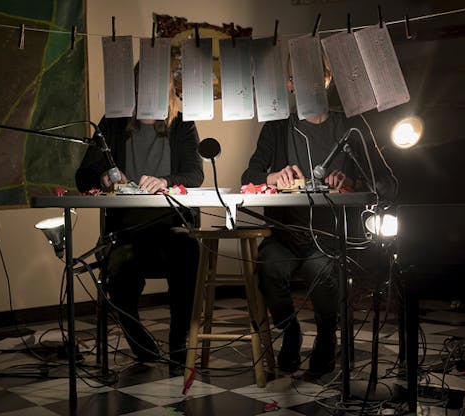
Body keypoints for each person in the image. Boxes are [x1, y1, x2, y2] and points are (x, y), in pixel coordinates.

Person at [241, 70, 396, 378]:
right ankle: (290, 331)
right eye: (295, 76)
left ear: (326, 79)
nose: (304, 83)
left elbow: (387, 183)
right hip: (286, 236)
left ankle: (327, 337)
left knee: (322, 270)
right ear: (288, 83)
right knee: (268, 266)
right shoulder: (278, 125)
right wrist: (272, 176)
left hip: (330, 238)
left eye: (313, 74)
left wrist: (352, 181)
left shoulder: (350, 125)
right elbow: (250, 176)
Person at [75, 68, 204, 376]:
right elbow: (83, 176)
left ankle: (178, 342)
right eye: (140, 86)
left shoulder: (182, 124)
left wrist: (165, 181)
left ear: (168, 89)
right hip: (125, 233)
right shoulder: (113, 123)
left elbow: (195, 175)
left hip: (170, 230)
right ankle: (137, 338)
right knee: (119, 274)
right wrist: (103, 175)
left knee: (188, 253)